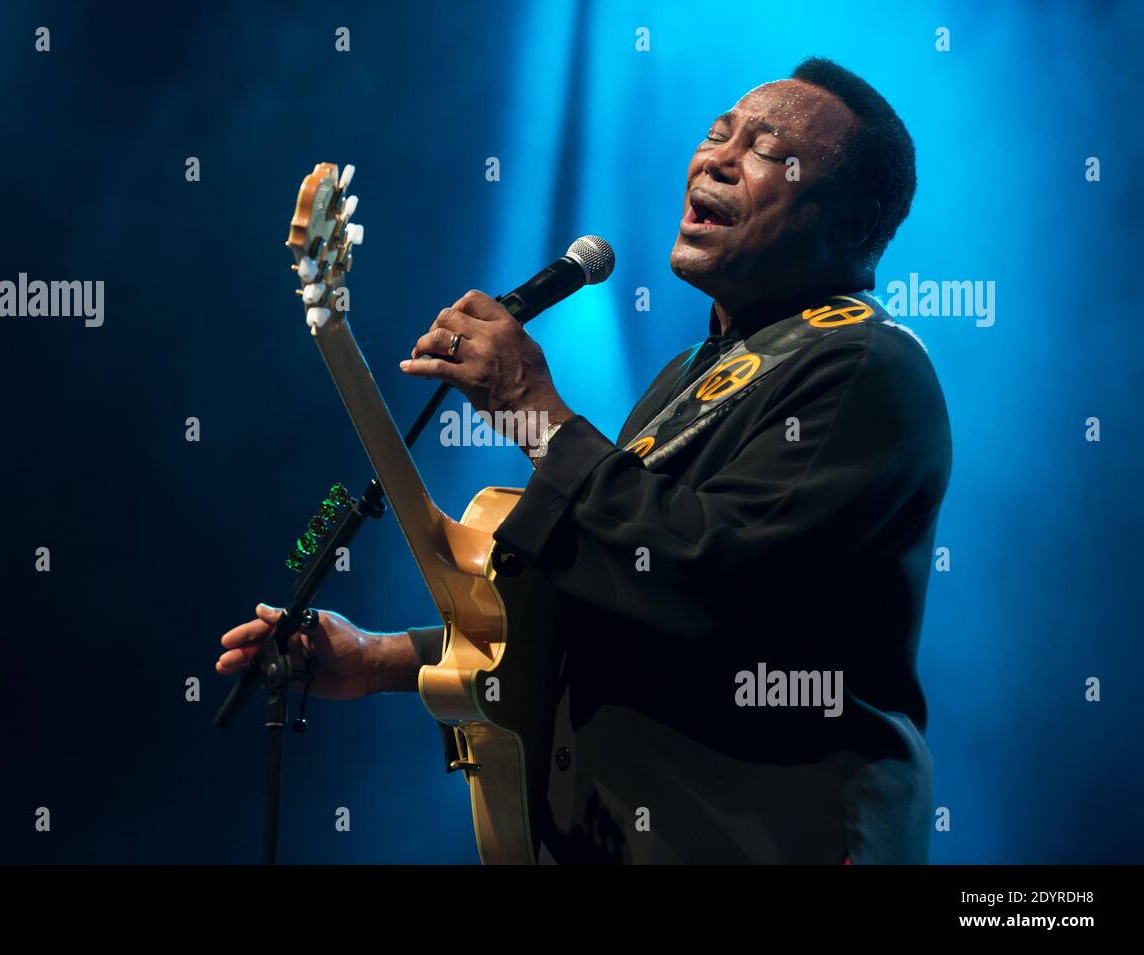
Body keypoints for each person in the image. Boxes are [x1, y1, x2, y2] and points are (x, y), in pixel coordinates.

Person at [218, 57, 951, 864]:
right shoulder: (686, 377)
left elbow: (712, 579)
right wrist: (376, 657)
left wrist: (533, 407)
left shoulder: (870, 367)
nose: (715, 158)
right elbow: (604, 602)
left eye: (767, 151)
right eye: (716, 134)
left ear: (852, 223)